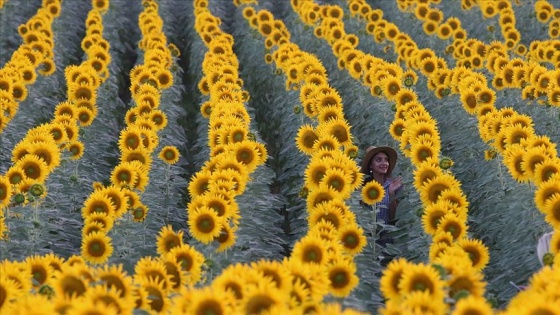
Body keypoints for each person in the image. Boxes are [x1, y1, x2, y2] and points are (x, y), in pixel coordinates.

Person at [361, 146, 404, 246]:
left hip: (389, 242)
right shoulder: (363, 188)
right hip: (369, 243)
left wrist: (391, 194)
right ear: (370, 165)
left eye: (386, 160)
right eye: (378, 160)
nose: (384, 163)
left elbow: (396, 219)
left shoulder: (395, 184)